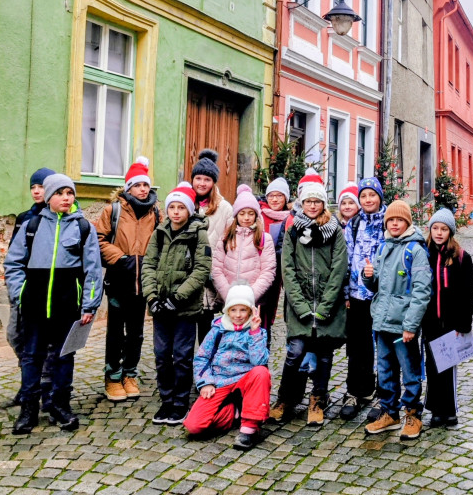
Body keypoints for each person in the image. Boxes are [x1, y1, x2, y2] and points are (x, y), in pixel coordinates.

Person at [5, 174, 103, 434]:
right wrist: (21, 294)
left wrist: (89, 305)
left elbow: (93, 271)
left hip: (67, 307)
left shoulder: (83, 227)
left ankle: (60, 405)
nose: (66, 198)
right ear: (49, 197)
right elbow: (13, 264)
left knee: (63, 357)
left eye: (69, 193)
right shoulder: (32, 225)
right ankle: (28, 409)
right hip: (34, 307)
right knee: (31, 358)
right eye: (59, 193)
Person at [269, 180, 347, 428]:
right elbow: (287, 269)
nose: (312, 206)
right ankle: (285, 398)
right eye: (308, 201)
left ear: (323, 203)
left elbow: (339, 269)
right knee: (295, 353)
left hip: (326, 305)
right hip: (299, 304)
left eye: (317, 201)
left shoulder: (334, 230)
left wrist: (325, 306)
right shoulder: (293, 230)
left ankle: (318, 400)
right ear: (302, 204)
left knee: (323, 355)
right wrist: (300, 305)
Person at [141, 182, 212, 425]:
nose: (176, 212)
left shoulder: (198, 234)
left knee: (182, 356)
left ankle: (180, 402)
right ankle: (166, 400)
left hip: (185, 309)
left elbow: (201, 270)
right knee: (162, 356)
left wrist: (176, 298)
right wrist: (152, 297)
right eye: (172, 207)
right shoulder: (159, 233)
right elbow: (148, 266)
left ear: (189, 210)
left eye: (181, 207)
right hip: (160, 307)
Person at [362, 200, 431, 440]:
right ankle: (389, 412)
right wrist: (368, 277)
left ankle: (413, 414)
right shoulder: (383, 247)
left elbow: (422, 291)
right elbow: (377, 286)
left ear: (407, 222)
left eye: (399, 220)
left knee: (409, 371)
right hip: (382, 322)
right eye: (390, 220)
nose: (394, 224)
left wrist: (411, 326)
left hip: (403, 326)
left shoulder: (415, 251)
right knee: (385, 369)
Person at [96, 156, 159, 402]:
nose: (143, 189)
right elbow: (99, 240)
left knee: (136, 333)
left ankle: (130, 374)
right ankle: (112, 376)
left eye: (146, 185)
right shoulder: (113, 211)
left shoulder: (155, 213)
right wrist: (121, 258)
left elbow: (160, 243)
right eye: (138, 185)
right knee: (115, 332)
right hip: (118, 280)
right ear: (128, 188)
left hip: (142, 283)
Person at [183, 283, 271, 450]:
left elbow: (259, 361)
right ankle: (234, 411)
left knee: (261, 372)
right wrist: (206, 382)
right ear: (227, 310)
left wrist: (254, 332)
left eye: (243, 310)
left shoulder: (258, 332)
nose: (238, 315)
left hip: (245, 380)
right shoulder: (217, 329)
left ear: (250, 311)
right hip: (220, 380)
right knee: (194, 425)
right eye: (233, 310)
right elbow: (202, 357)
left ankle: (249, 428)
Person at [4, 166, 55, 408]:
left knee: (43, 343)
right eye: (33, 187)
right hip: (23, 289)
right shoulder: (25, 218)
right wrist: (16, 287)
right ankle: (28, 383)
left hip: (45, 290)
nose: (36, 191)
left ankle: (42, 387)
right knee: (15, 336)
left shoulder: (58, 218)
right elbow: (14, 254)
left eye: (41, 186)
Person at [422, 208, 473, 428]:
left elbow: (468, 292)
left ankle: (449, 410)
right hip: (430, 322)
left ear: (450, 232)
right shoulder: (424, 254)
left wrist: (463, 323)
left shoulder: (461, 257)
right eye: (435, 228)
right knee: (432, 366)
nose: (439, 233)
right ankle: (436, 410)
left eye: (443, 229)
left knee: (448, 366)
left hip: (451, 323)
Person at [340, 176, 386, 421]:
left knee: (385, 347)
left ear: (380, 197)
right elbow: (347, 259)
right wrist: (346, 293)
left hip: (383, 295)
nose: (368, 200)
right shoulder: (354, 223)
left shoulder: (390, 221)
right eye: (364, 196)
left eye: (372, 195)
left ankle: (385, 396)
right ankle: (358, 391)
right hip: (358, 294)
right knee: (358, 345)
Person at [190, 149, 234, 342]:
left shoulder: (224, 208)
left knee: (206, 331)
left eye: (207, 179)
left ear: (213, 182)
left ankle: (205, 361)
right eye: (198, 178)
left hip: (209, 279)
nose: (201, 183)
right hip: (186, 278)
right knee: (184, 334)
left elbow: (229, 244)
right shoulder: (184, 204)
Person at [211, 185, 276, 310]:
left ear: (256, 215)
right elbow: (217, 269)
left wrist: (250, 296)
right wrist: (229, 295)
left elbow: (268, 271)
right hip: (229, 300)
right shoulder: (226, 238)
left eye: (251, 214)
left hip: (254, 300)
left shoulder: (264, 239)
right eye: (242, 213)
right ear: (236, 215)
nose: (246, 218)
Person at [257, 177, 291, 336]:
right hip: (259, 268)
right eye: (271, 195)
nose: (275, 199)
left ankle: (267, 333)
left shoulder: (289, 217)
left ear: (286, 198)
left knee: (271, 304)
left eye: (279, 195)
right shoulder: (259, 214)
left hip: (278, 269)